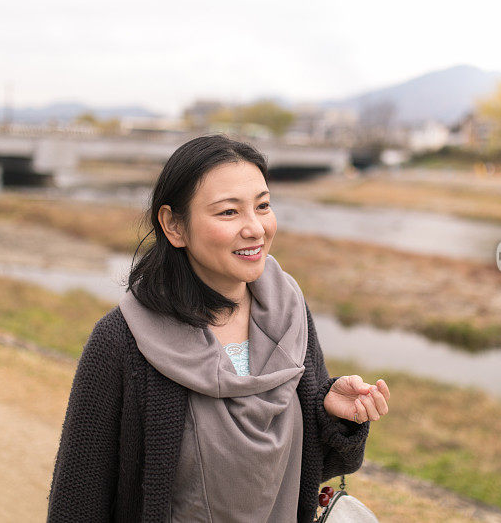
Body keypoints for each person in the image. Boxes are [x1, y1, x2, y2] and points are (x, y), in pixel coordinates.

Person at [47, 134, 391, 523]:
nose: (256, 229)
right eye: (229, 212)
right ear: (174, 226)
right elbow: (78, 500)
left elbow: (301, 470)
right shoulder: (121, 341)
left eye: (263, 206)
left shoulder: (290, 315)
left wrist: (336, 417)